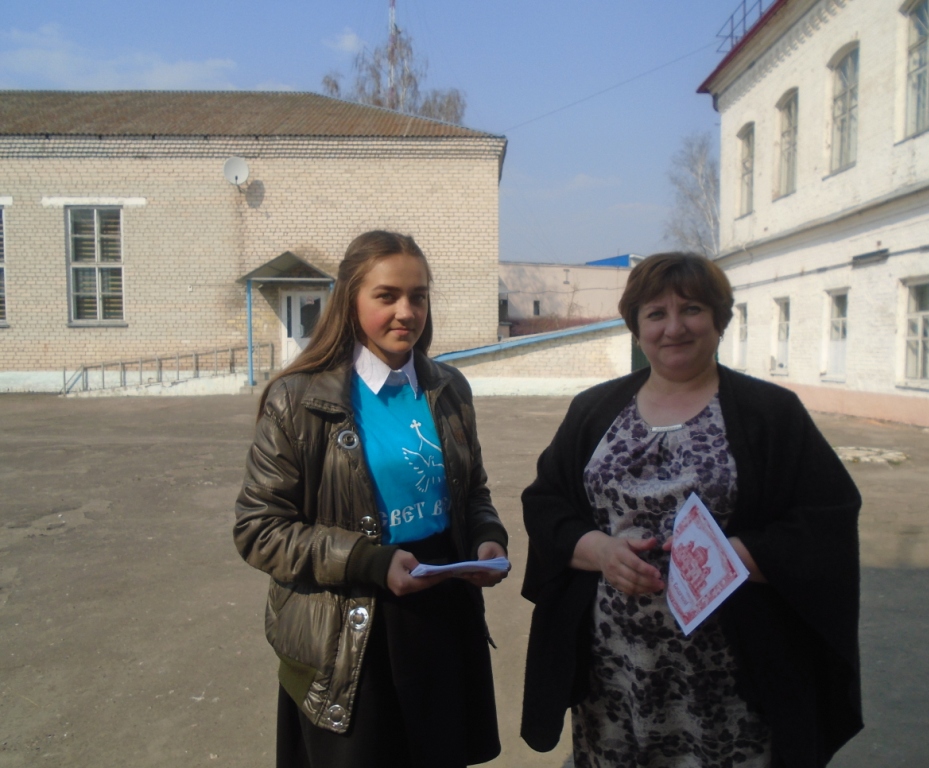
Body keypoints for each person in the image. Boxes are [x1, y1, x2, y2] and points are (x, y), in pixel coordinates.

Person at [520, 252, 862, 768]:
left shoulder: (770, 414)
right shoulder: (593, 410)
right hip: (613, 671)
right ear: (636, 327)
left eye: (693, 309)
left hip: (731, 675)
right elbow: (546, 503)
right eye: (656, 313)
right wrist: (601, 552)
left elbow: (827, 519)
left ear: (719, 319)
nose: (674, 327)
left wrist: (731, 557)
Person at [234, 230, 509, 768]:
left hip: (442, 617)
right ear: (350, 300)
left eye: (418, 296)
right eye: (387, 296)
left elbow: (472, 490)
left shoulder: (449, 388)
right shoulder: (298, 399)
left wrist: (485, 536)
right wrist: (369, 561)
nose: (407, 312)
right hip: (350, 630)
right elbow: (260, 529)